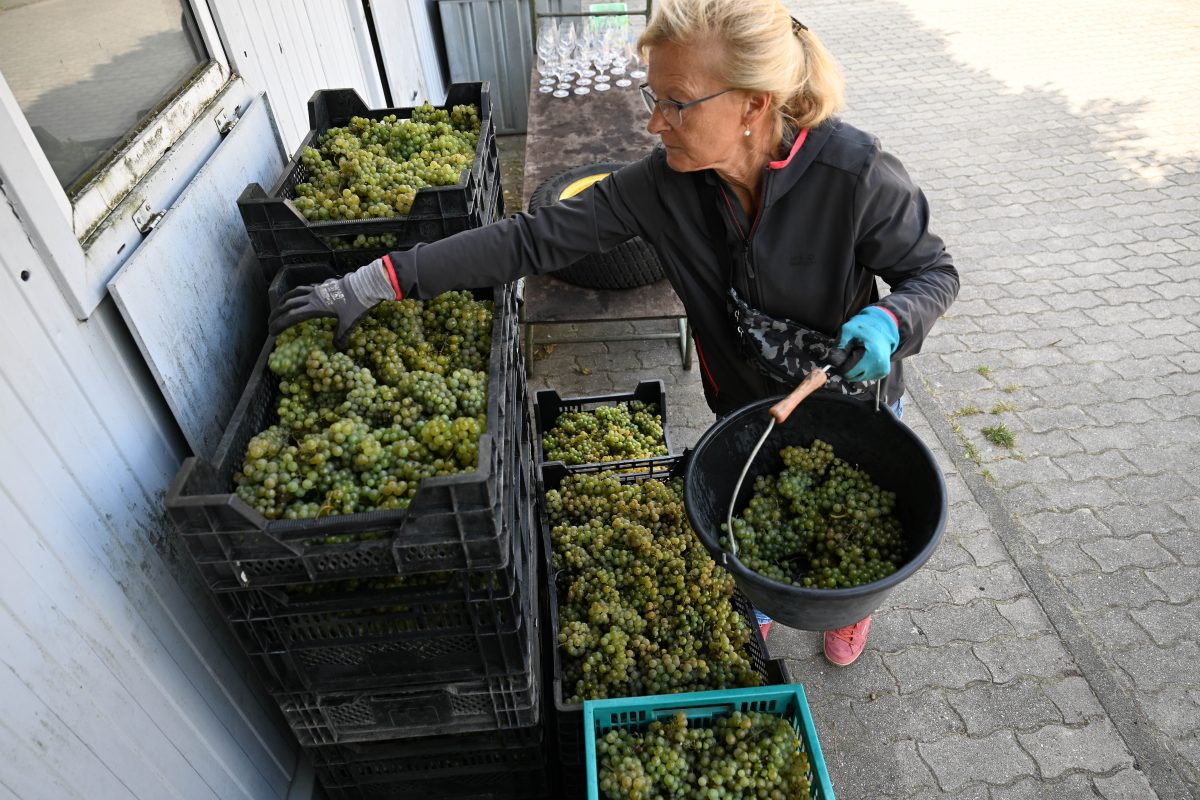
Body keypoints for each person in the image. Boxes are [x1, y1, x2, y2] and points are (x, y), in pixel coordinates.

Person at [270, 0, 959, 667]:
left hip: (850, 408)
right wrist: (381, 279)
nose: (656, 123)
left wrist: (892, 319)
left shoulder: (855, 175)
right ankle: (765, 594)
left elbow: (933, 273)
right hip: (746, 407)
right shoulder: (663, 187)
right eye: (650, 96)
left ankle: (847, 609)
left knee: (850, 534)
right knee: (759, 521)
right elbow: (531, 240)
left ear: (754, 103)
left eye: (677, 103)